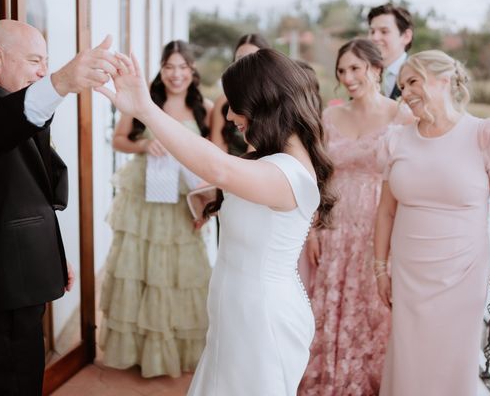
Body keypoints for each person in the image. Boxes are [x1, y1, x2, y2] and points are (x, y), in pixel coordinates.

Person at [96, 48, 336, 396]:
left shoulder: (290, 173)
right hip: (237, 309)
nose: (228, 114)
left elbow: (217, 166)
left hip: (261, 319)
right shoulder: (274, 160)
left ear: (263, 103)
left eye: (235, 104)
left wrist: (145, 109)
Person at [0, 19, 119, 395]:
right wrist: (58, 82)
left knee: (24, 379)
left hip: (19, 280)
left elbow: (27, 190)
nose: (42, 70)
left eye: (46, 63)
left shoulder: (5, 104)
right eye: (35, 61)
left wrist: (54, 257)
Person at [374, 50, 490, 396]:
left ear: (444, 80)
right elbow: (386, 211)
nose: (405, 92)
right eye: (402, 84)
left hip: (462, 275)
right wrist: (380, 268)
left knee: (452, 361)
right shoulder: (396, 140)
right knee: (409, 360)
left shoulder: (484, 135)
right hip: (408, 276)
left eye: (413, 81)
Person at [299, 39, 412, 396]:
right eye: (342, 71)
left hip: (380, 228)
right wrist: (313, 229)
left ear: (376, 69)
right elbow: (318, 176)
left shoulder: (401, 116)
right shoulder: (329, 117)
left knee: (374, 311)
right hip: (334, 227)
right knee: (329, 305)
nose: (348, 77)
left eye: (355, 69)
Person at [98, 40, 213, 378]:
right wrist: (145, 144)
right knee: (142, 270)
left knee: (179, 275)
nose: (176, 74)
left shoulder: (204, 108)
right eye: (169, 67)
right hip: (145, 200)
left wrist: (206, 204)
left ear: (192, 71)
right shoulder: (144, 100)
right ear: (161, 70)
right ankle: (139, 351)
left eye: (182, 67)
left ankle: (175, 351)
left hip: (182, 201)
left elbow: (211, 157)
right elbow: (119, 139)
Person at [210, 33, 270, 155]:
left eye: (252, 59)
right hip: (227, 169)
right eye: (240, 59)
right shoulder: (223, 102)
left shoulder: (272, 101)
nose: (245, 65)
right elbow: (218, 153)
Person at [367, 3, 413, 100]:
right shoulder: (364, 74)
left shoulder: (419, 75)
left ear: (406, 36)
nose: (375, 38)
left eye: (384, 31)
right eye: (372, 32)